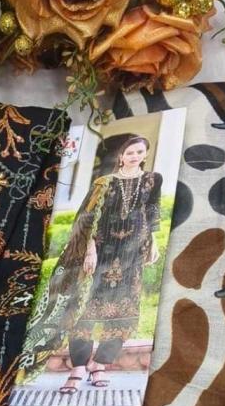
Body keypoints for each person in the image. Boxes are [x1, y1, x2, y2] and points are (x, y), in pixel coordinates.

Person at [40, 135, 162, 392]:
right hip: (101, 252)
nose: (135, 156)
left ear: (145, 154)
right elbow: (86, 218)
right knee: (83, 309)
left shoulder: (153, 180)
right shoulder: (104, 183)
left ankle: (100, 365)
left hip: (132, 256)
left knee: (124, 313)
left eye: (140, 152)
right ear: (121, 156)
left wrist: (153, 242)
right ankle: (78, 368)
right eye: (130, 152)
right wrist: (89, 251)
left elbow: (152, 212)